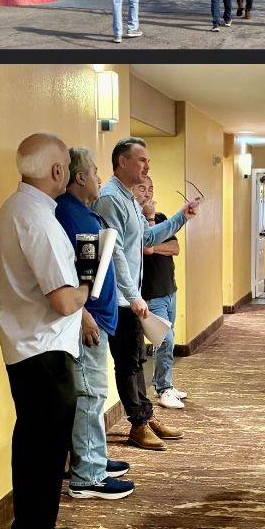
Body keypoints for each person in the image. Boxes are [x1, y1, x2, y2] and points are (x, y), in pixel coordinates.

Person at [0, 133, 93, 529]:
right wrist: (89, 286)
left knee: (32, 443)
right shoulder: (38, 218)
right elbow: (62, 299)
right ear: (58, 171)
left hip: (27, 346)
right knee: (48, 449)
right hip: (45, 349)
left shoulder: (16, 208)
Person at [95, 137, 198, 450]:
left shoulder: (128, 199)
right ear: (122, 162)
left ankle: (145, 415)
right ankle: (138, 425)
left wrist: (181, 216)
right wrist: (132, 294)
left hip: (131, 295)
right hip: (120, 297)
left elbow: (148, 236)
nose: (147, 166)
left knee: (138, 359)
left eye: (148, 161)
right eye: (142, 160)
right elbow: (115, 254)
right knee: (128, 361)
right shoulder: (111, 198)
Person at [55, 147, 134, 501]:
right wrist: (84, 315)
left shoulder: (83, 214)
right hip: (88, 322)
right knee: (89, 394)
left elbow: (89, 270)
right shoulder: (70, 215)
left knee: (92, 393)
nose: (100, 178)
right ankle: (88, 476)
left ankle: (93, 460)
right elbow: (70, 277)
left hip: (97, 317)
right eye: (96, 171)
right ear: (80, 177)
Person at [137, 178, 187, 410]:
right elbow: (144, 243)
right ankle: (163, 389)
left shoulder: (162, 219)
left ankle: (164, 384)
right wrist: (148, 218)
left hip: (169, 289)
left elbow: (174, 248)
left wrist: (154, 249)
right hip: (151, 294)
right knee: (164, 340)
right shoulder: (135, 222)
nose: (147, 194)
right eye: (142, 188)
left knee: (166, 341)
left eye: (150, 189)